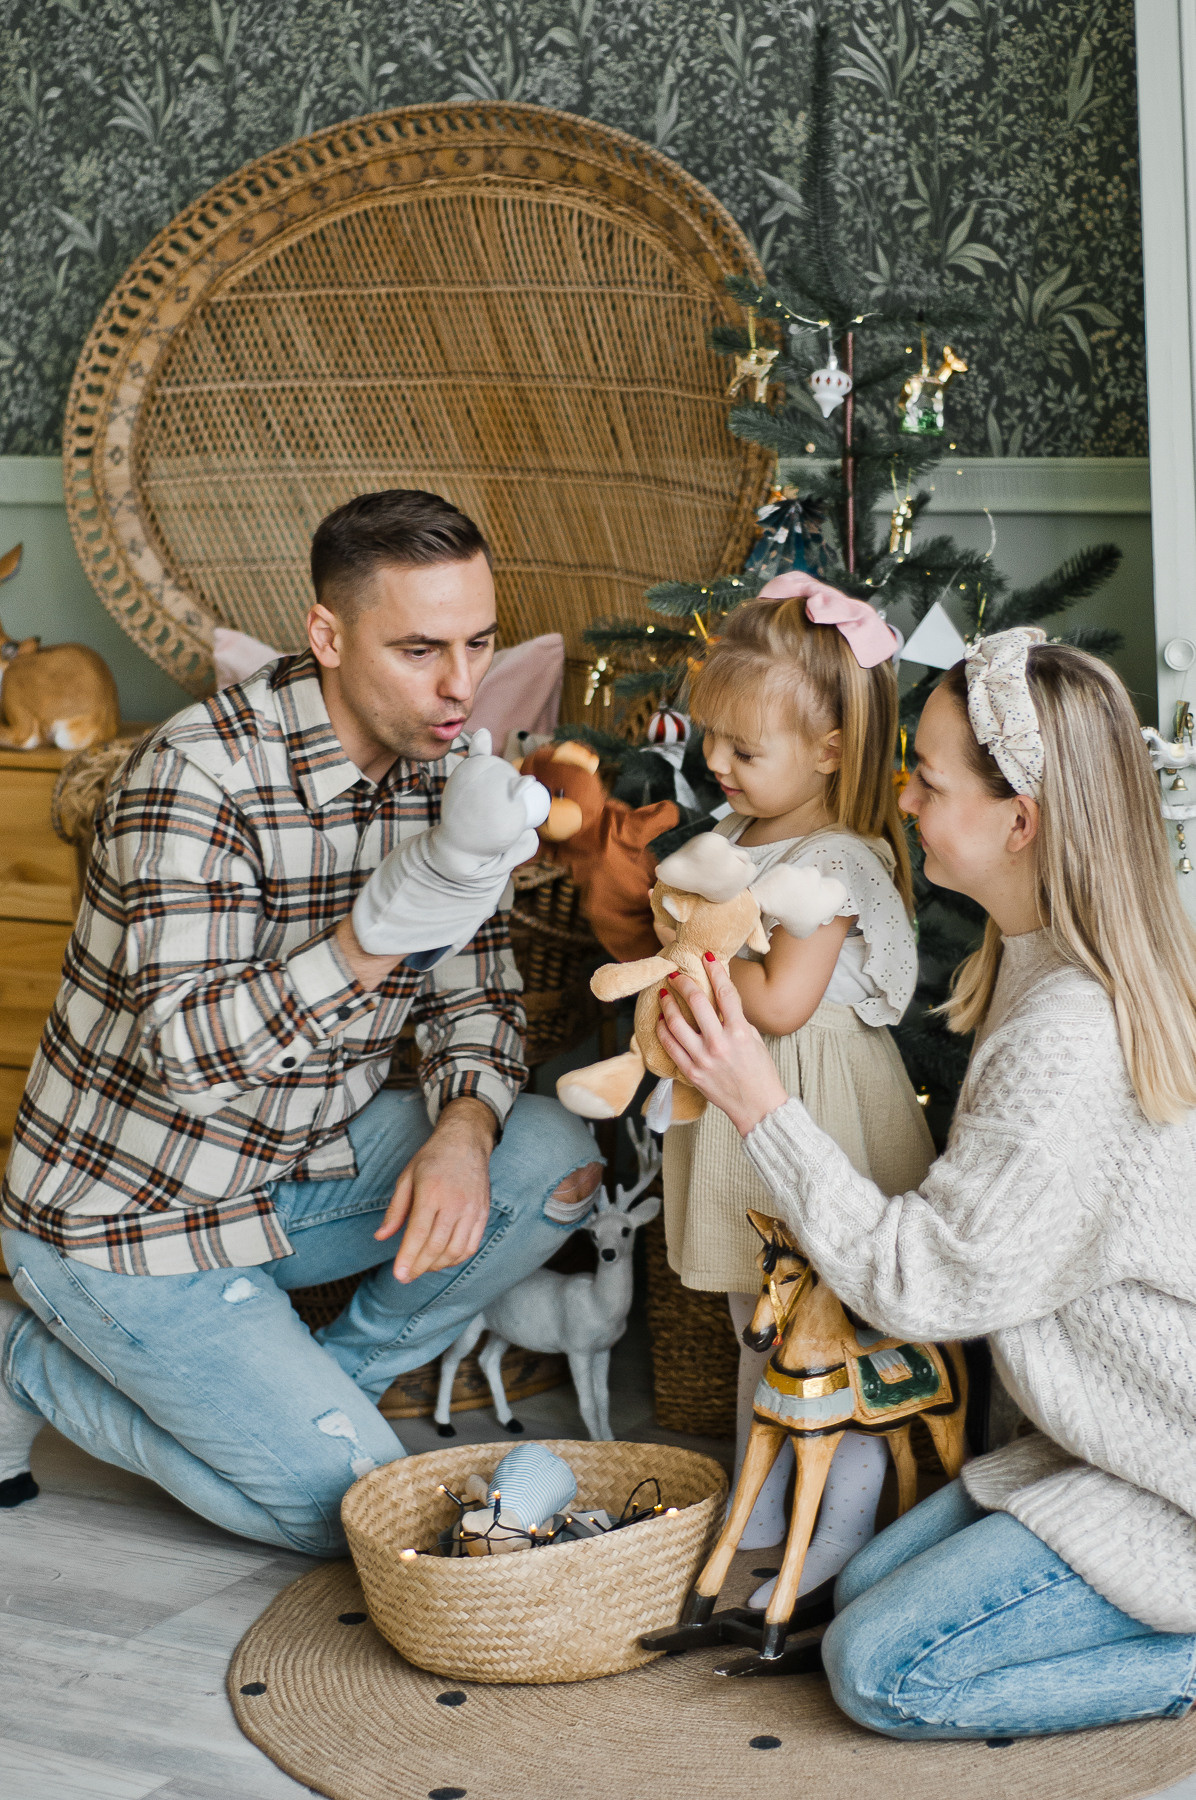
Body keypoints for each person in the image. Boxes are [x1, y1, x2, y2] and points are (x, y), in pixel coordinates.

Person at [0, 488, 600, 1554]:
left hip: (297, 1169)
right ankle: (21, 1356)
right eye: (419, 650)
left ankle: (338, 1384)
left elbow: (480, 999)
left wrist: (464, 1130)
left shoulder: (448, 768)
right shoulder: (192, 782)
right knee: (359, 1527)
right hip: (134, 1217)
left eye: (478, 642)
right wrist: (372, 935)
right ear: (326, 635)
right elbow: (192, 1060)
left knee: (550, 1151)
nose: (461, 687)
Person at [656, 624, 1196, 1739]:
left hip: (1166, 1477)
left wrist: (760, 1102)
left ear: (1019, 821)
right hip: (1097, 1446)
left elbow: (918, 1286)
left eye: (928, 779)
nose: (900, 799)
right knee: (858, 1588)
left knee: (877, 1670)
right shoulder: (1037, 959)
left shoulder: (1066, 1034)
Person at [660, 573, 934, 1605]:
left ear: (827, 750)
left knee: (832, 1332)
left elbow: (778, 1004)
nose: (715, 766)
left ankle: (832, 1528)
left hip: (809, 1110)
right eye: (711, 742)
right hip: (741, 1108)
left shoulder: (832, 863)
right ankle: (760, 1502)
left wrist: (687, 947)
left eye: (743, 750)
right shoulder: (731, 843)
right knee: (759, 1326)